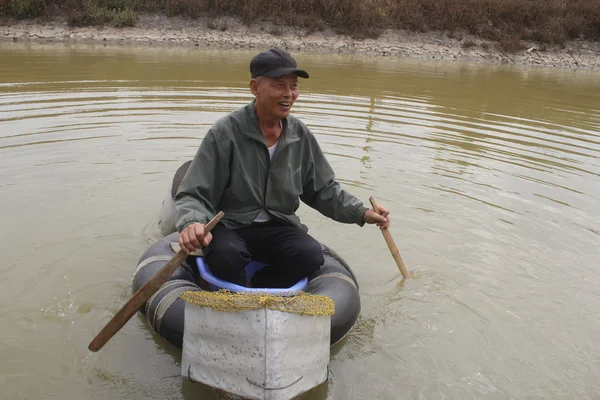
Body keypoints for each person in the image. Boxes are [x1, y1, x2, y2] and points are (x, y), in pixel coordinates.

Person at [175, 48, 390, 288]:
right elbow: (193, 193)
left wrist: (361, 213)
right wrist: (192, 222)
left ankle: (262, 289)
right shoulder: (225, 132)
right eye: (279, 85)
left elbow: (322, 189)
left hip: (278, 225)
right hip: (231, 224)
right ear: (255, 88)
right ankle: (234, 297)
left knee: (310, 255)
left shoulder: (299, 135)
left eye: (294, 86)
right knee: (227, 255)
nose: (289, 94)